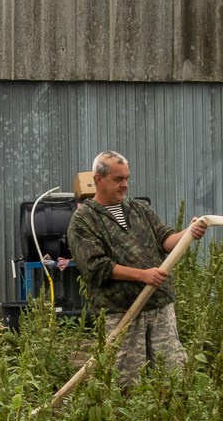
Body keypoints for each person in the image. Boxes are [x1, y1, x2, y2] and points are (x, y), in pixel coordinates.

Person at [67, 149, 205, 383]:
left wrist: (189, 233)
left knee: (173, 375)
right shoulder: (84, 220)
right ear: (98, 179)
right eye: (118, 179)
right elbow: (96, 267)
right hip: (121, 312)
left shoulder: (140, 209)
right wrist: (142, 275)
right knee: (126, 381)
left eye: (127, 178)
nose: (124, 185)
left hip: (159, 305)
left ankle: (172, 419)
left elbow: (165, 240)